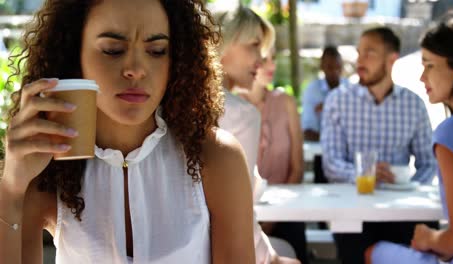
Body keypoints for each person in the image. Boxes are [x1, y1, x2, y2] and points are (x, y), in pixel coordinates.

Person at [0, 0, 256, 263]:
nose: (136, 69)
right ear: (73, 54)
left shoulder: (215, 157)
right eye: (113, 50)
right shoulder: (45, 165)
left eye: (157, 50)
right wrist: (10, 188)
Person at [320, 26, 438, 264]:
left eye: (369, 53)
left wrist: (408, 188)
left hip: (402, 212)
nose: (359, 60)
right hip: (353, 209)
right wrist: (365, 175)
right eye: (358, 52)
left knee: (425, 235)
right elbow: (331, 164)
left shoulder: (414, 105)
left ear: (391, 59)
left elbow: (428, 163)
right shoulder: (337, 101)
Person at [366, 18, 453, 264]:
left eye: (430, 66)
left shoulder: (451, 133)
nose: (423, 77)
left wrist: (428, 238)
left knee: (372, 252)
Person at [216, 6, 300, 264]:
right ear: (221, 44)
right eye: (254, 46)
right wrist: (272, 260)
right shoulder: (242, 114)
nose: (261, 60)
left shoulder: (179, 104)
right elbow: (238, 215)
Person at [235, 44, 307, 263]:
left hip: (285, 211)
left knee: (294, 233)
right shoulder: (229, 108)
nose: (272, 65)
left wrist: (274, 219)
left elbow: (297, 168)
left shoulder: (285, 102)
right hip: (240, 214)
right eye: (265, 58)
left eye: (273, 58)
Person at [301, 46, 348, 142]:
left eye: (338, 67)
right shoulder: (312, 91)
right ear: (322, 67)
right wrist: (334, 141)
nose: (335, 71)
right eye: (330, 67)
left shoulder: (350, 89)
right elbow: (308, 131)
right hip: (319, 150)